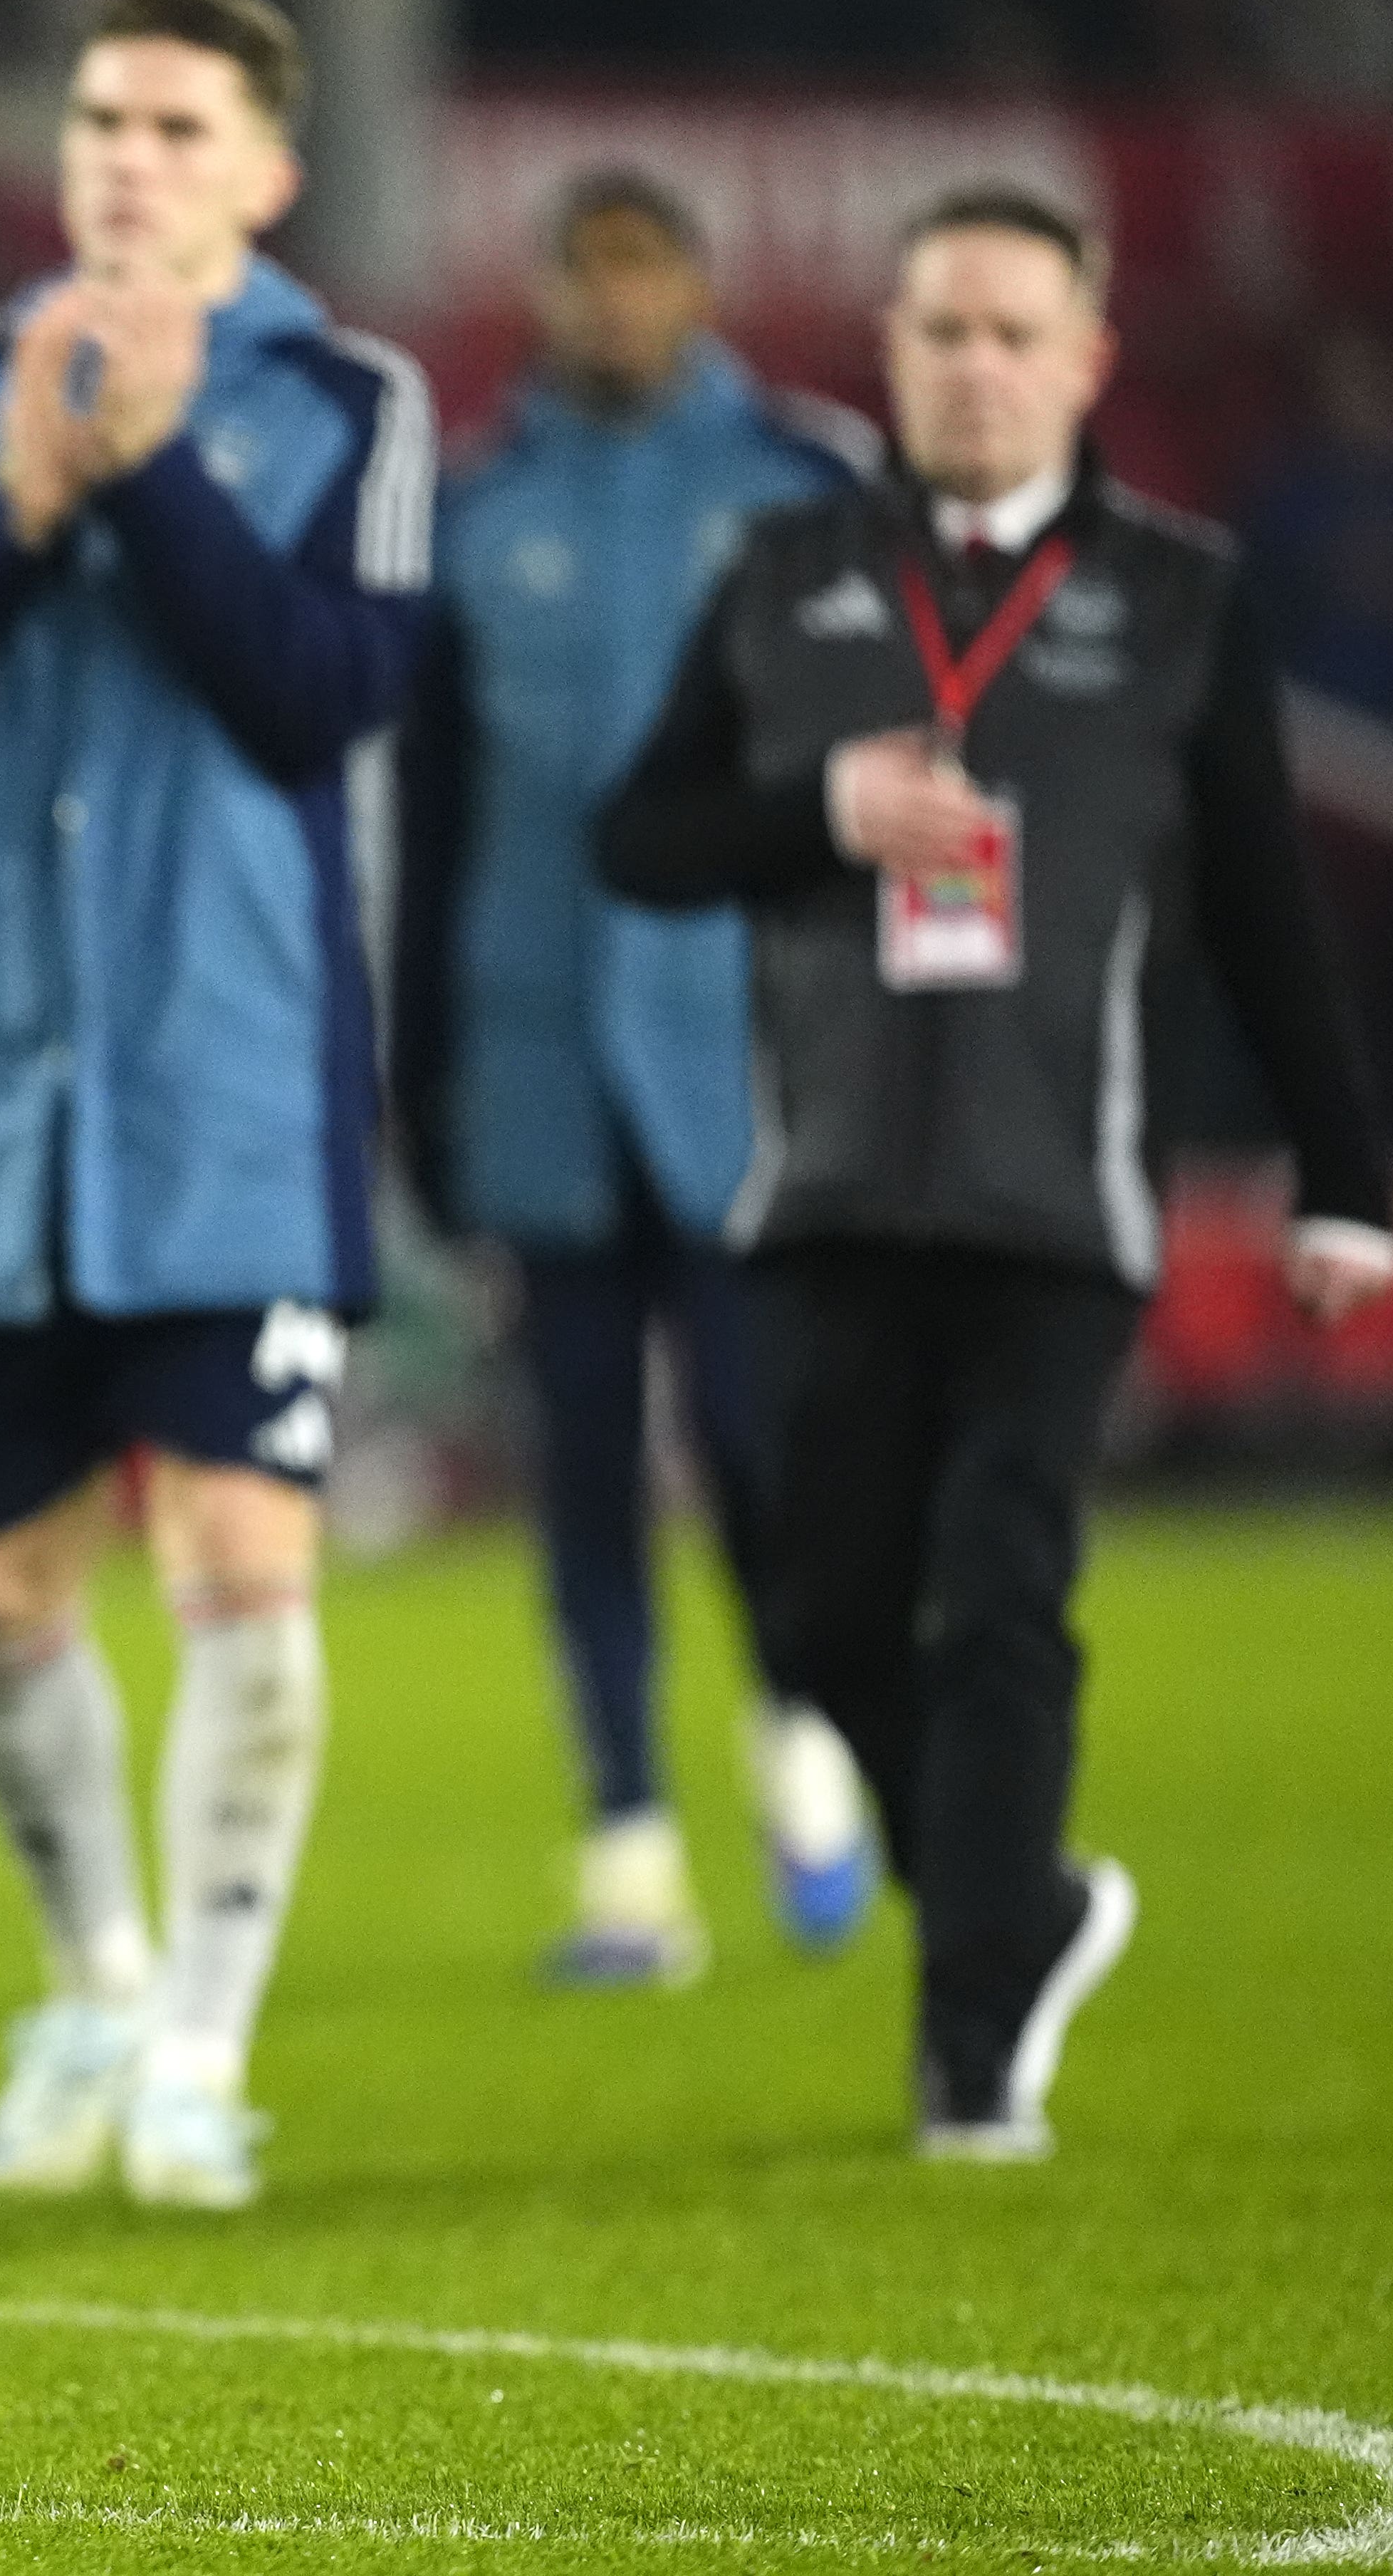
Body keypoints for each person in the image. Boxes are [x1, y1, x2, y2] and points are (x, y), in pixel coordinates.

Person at [600, 182, 1393, 2159]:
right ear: (883, 351)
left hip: (1063, 1196)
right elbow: (640, 839)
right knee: (819, 1619)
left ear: (1084, 360)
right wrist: (818, 810)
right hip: (831, 1184)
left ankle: (967, 2051)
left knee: (1001, 1589)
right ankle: (1016, 1906)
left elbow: (1263, 911)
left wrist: (1342, 1175)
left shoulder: (1179, 599)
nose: (972, 369)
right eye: (938, 332)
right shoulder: (782, 574)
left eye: (1010, 334)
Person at [0, 0, 432, 2213]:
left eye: (174, 127)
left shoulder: (349, 400)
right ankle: (89, 1977)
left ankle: (200, 2051)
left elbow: (318, 693)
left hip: (229, 1090)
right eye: (97, 122)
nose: (126, 161)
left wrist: (143, 480)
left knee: (243, 1557)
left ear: (262, 168)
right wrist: (19, 510)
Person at [400, 169, 878, 1989]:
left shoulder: (801, 489)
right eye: (584, 271)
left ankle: (802, 1737)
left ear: (696, 280)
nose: (612, 301)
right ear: (544, 289)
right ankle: (628, 1850)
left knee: (763, 1445)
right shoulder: (477, 513)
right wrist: (424, 1084)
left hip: (749, 1058)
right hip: (538, 1063)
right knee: (582, 1469)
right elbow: (432, 826)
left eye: (642, 267)